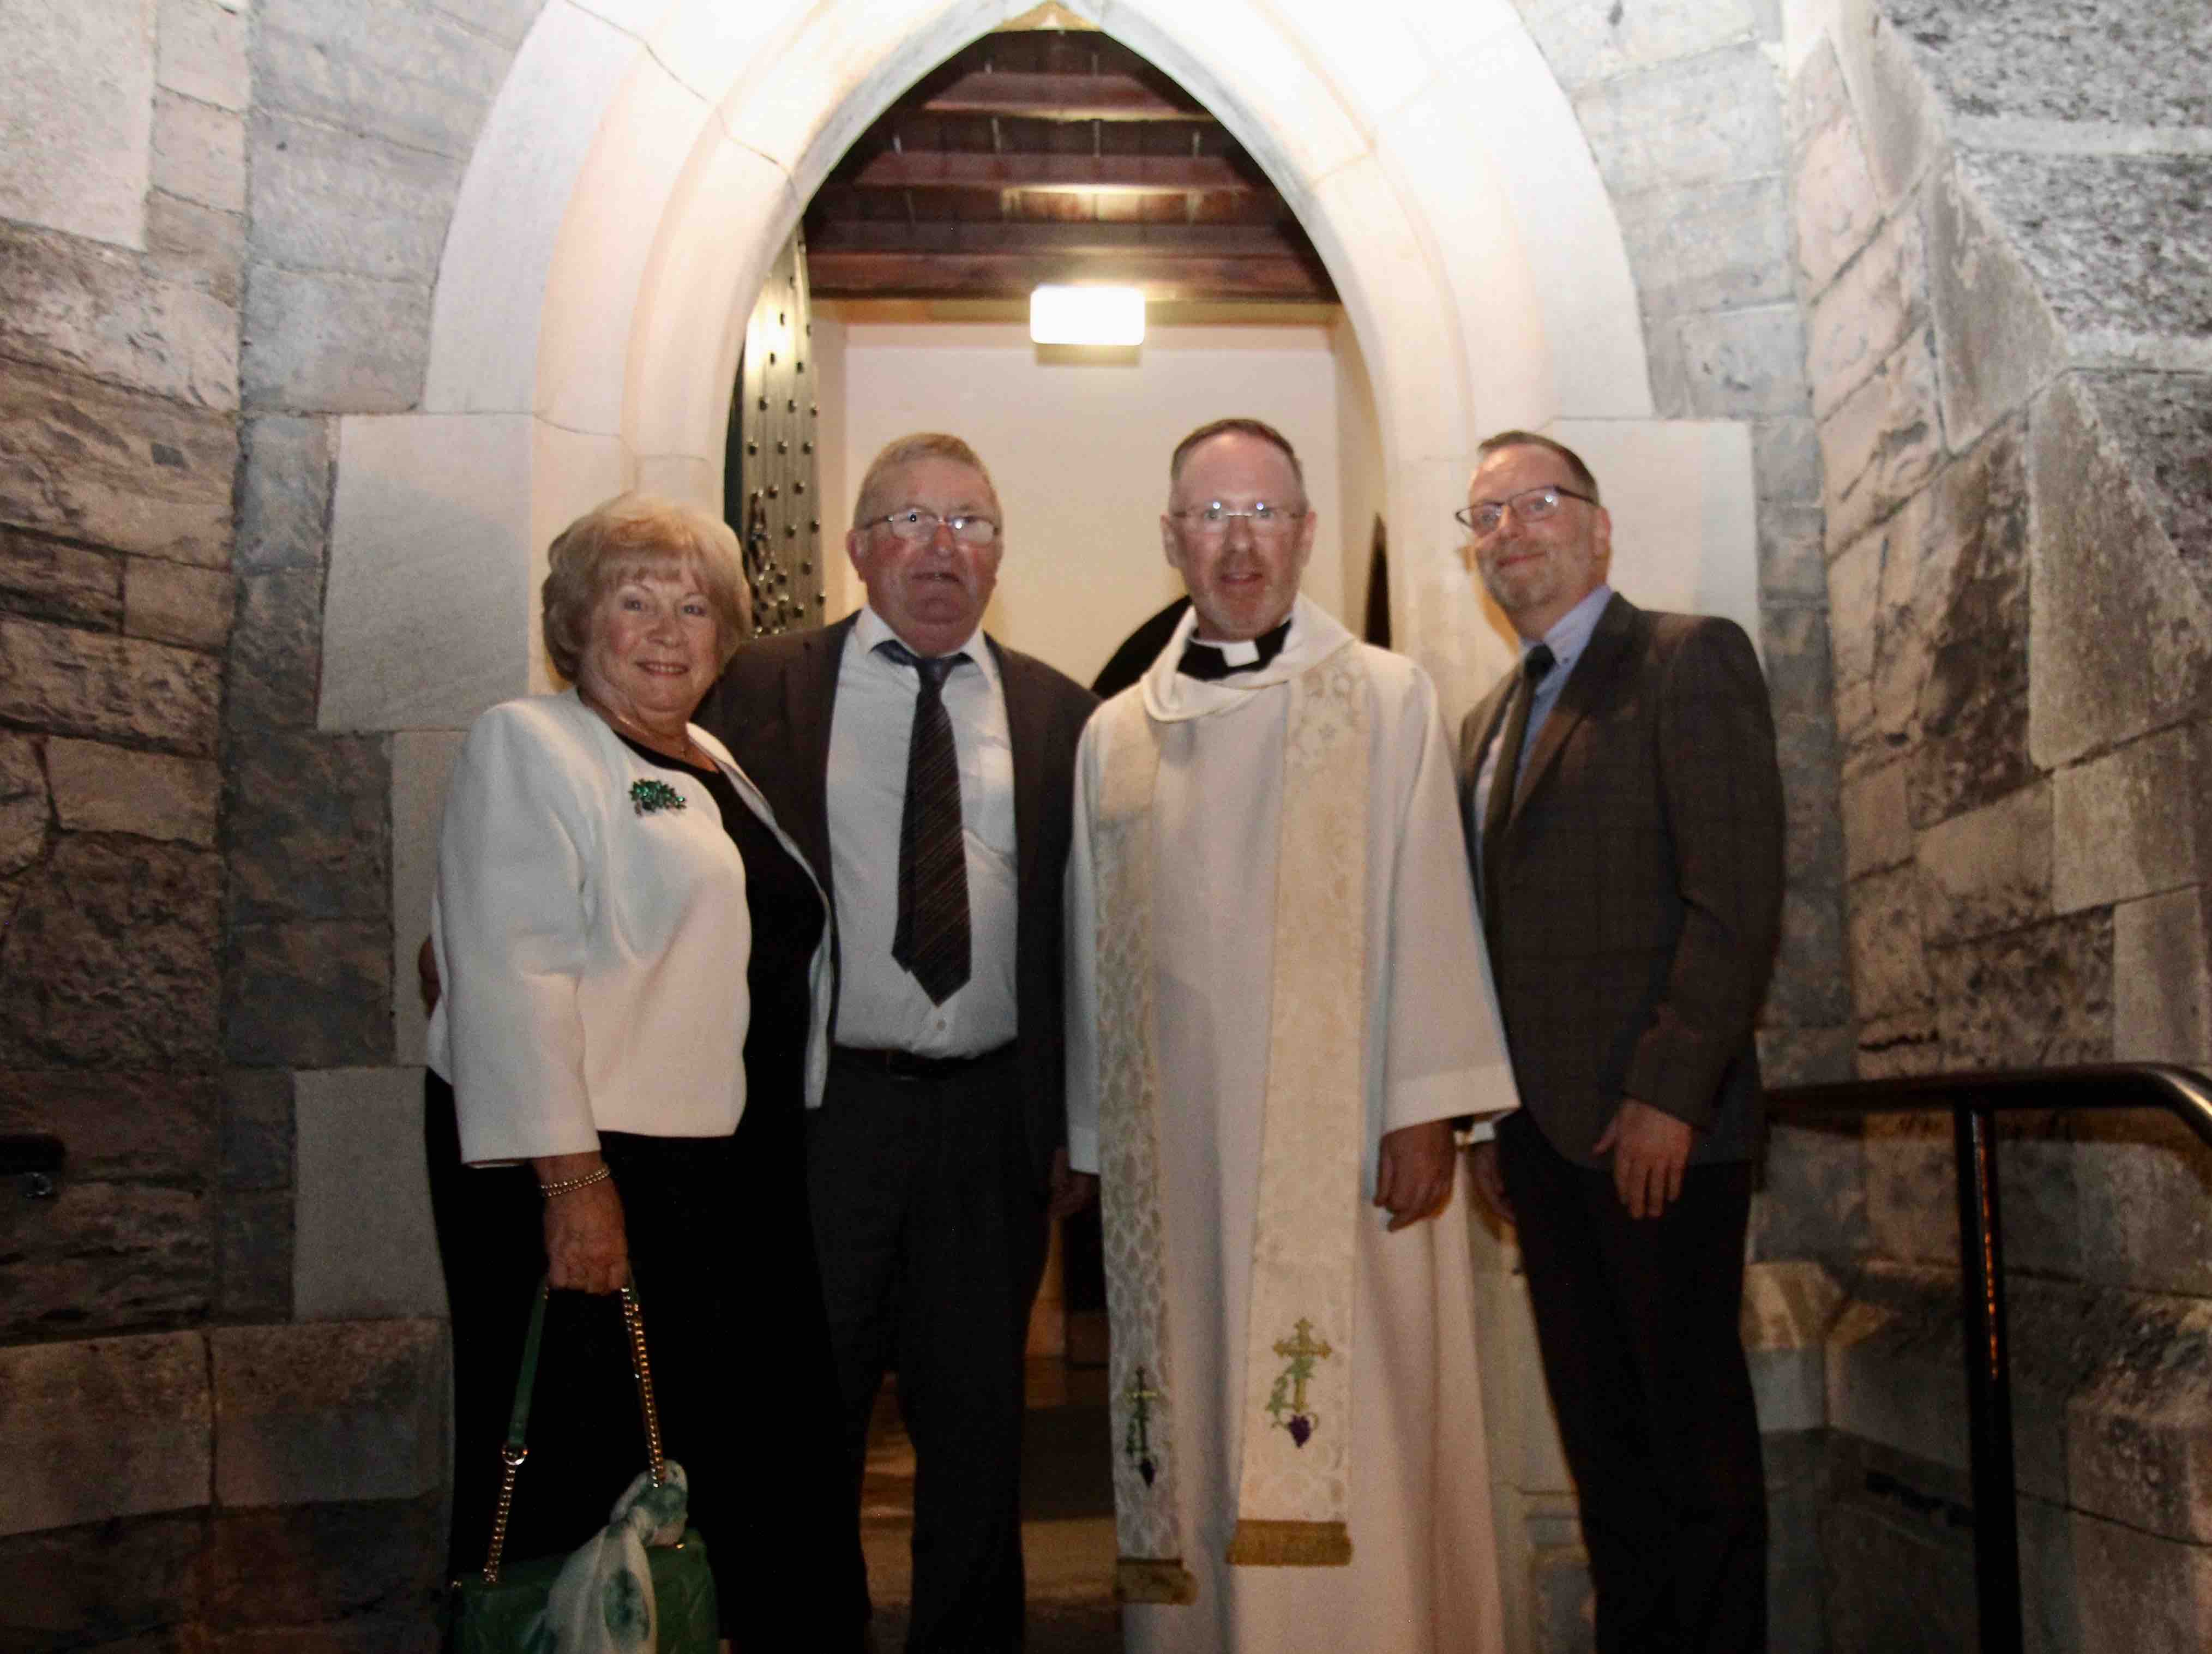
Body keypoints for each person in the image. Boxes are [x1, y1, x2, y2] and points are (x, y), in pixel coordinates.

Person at [1065, 417, 1519, 1653]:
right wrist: (1094, 1138)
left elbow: (1430, 899)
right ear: (1173, 539)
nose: (1239, 541)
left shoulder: (1385, 698)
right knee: (1199, 1422)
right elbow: (1092, 956)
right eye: (1212, 516)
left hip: (1348, 1151)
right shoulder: (1116, 735)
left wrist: (1428, 1102)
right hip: (1185, 1167)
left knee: (1361, 1423)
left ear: (1307, 531)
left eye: (1264, 512)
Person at [423, 492, 853, 1649]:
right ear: (579, 622)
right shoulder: (532, 743)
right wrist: (574, 1184)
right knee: (589, 1467)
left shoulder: (711, 757)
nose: (667, 629)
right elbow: (511, 971)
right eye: (634, 601)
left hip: (721, 1170)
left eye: (693, 606)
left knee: (710, 1464)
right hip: (599, 1167)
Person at [695, 434, 1097, 1653]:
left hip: (990, 1123)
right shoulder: (758, 689)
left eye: (971, 523)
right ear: (860, 546)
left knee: (979, 1430)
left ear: (999, 556)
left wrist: (1076, 1125)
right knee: (801, 1418)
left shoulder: (1058, 712)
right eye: (912, 520)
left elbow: (1088, 934)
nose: (942, 547)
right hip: (826, 1118)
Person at [1456, 430, 1784, 1653]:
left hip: (1660, 1137)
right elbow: (1485, 939)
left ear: (1599, 527)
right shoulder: (1489, 718)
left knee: (1695, 1457)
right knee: (1607, 1455)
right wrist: (1491, 1115)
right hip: (1543, 1146)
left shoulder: (1687, 660)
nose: (1509, 531)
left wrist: (1670, 1091)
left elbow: (1735, 894)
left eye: (1536, 502)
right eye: (1484, 515)